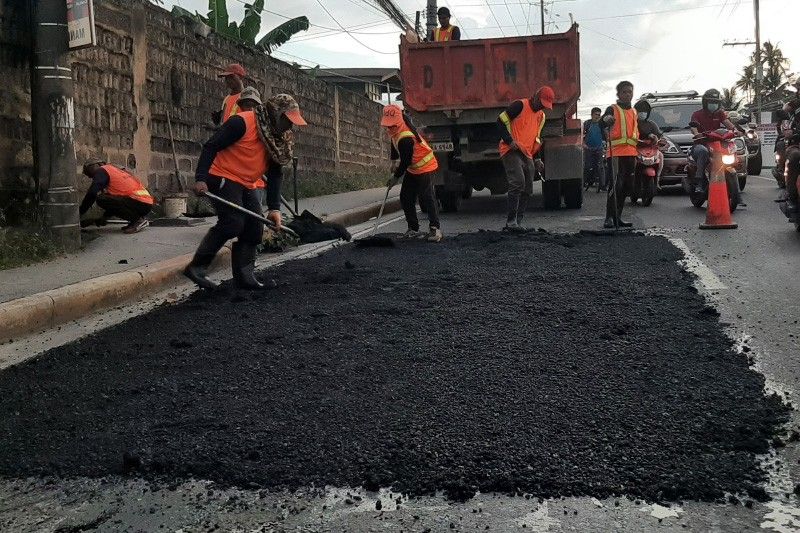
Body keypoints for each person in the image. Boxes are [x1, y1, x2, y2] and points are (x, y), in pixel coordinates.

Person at [184, 87, 307, 290]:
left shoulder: (278, 139)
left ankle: (245, 276)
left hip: (247, 181)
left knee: (254, 228)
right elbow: (210, 146)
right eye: (287, 120)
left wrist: (274, 209)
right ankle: (196, 267)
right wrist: (200, 178)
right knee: (233, 222)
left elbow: (275, 174)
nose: (289, 126)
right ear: (276, 114)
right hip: (222, 175)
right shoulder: (242, 123)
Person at [381, 104, 443, 242]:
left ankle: (435, 229)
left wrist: (395, 177)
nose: (389, 127)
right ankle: (413, 229)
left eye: (391, 125)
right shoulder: (396, 130)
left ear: (398, 120)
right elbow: (393, 142)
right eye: (388, 125)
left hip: (425, 166)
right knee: (405, 196)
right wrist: (393, 161)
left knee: (427, 197)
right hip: (413, 168)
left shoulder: (406, 138)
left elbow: (406, 162)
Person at [497, 86, 553, 231]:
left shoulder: (541, 116)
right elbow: (500, 121)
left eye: (544, 105)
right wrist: (509, 141)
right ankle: (511, 222)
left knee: (528, 186)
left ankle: (518, 222)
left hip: (527, 153)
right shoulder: (520, 105)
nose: (541, 106)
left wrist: (537, 158)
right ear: (534, 96)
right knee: (518, 181)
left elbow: (537, 138)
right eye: (540, 103)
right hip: (511, 150)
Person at [79, 158, 153, 234]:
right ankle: (135, 220)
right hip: (145, 203)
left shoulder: (101, 170)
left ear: (97, 165)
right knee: (107, 197)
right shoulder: (114, 170)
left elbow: (92, 193)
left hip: (139, 202)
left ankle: (138, 220)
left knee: (101, 199)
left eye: (88, 171)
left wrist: (79, 212)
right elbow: (115, 203)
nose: (90, 176)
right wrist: (102, 219)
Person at [602, 81, 639, 228]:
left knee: (626, 186)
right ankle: (609, 218)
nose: (627, 94)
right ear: (619, 94)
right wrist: (606, 120)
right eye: (624, 92)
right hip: (616, 153)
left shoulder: (634, 112)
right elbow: (603, 121)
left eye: (630, 91)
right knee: (616, 185)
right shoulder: (613, 109)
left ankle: (618, 216)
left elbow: (636, 130)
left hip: (631, 153)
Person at [688, 88, 736, 194]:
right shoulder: (697, 114)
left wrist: (737, 130)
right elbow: (693, 127)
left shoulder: (720, 114)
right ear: (705, 103)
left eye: (715, 102)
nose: (713, 104)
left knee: (729, 149)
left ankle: (735, 194)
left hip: (717, 144)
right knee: (703, 152)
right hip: (701, 144)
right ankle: (699, 182)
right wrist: (697, 134)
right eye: (711, 102)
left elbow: (728, 124)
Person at [634, 99, 664, 188]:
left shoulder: (651, 124)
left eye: (645, 111)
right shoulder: (633, 124)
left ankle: (657, 179)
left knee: (661, 156)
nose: (643, 113)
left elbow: (659, 135)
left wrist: (659, 139)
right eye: (640, 111)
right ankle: (631, 179)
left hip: (650, 150)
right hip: (636, 149)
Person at [583, 107, 607, 191]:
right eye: (596, 114)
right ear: (592, 114)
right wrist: (583, 144)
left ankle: (603, 185)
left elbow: (605, 136)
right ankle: (584, 182)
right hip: (588, 149)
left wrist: (605, 145)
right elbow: (581, 135)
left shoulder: (601, 125)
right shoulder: (587, 124)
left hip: (599, 149)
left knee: (601, 166)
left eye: (599, 115)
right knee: (587, 166)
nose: (597, 116)